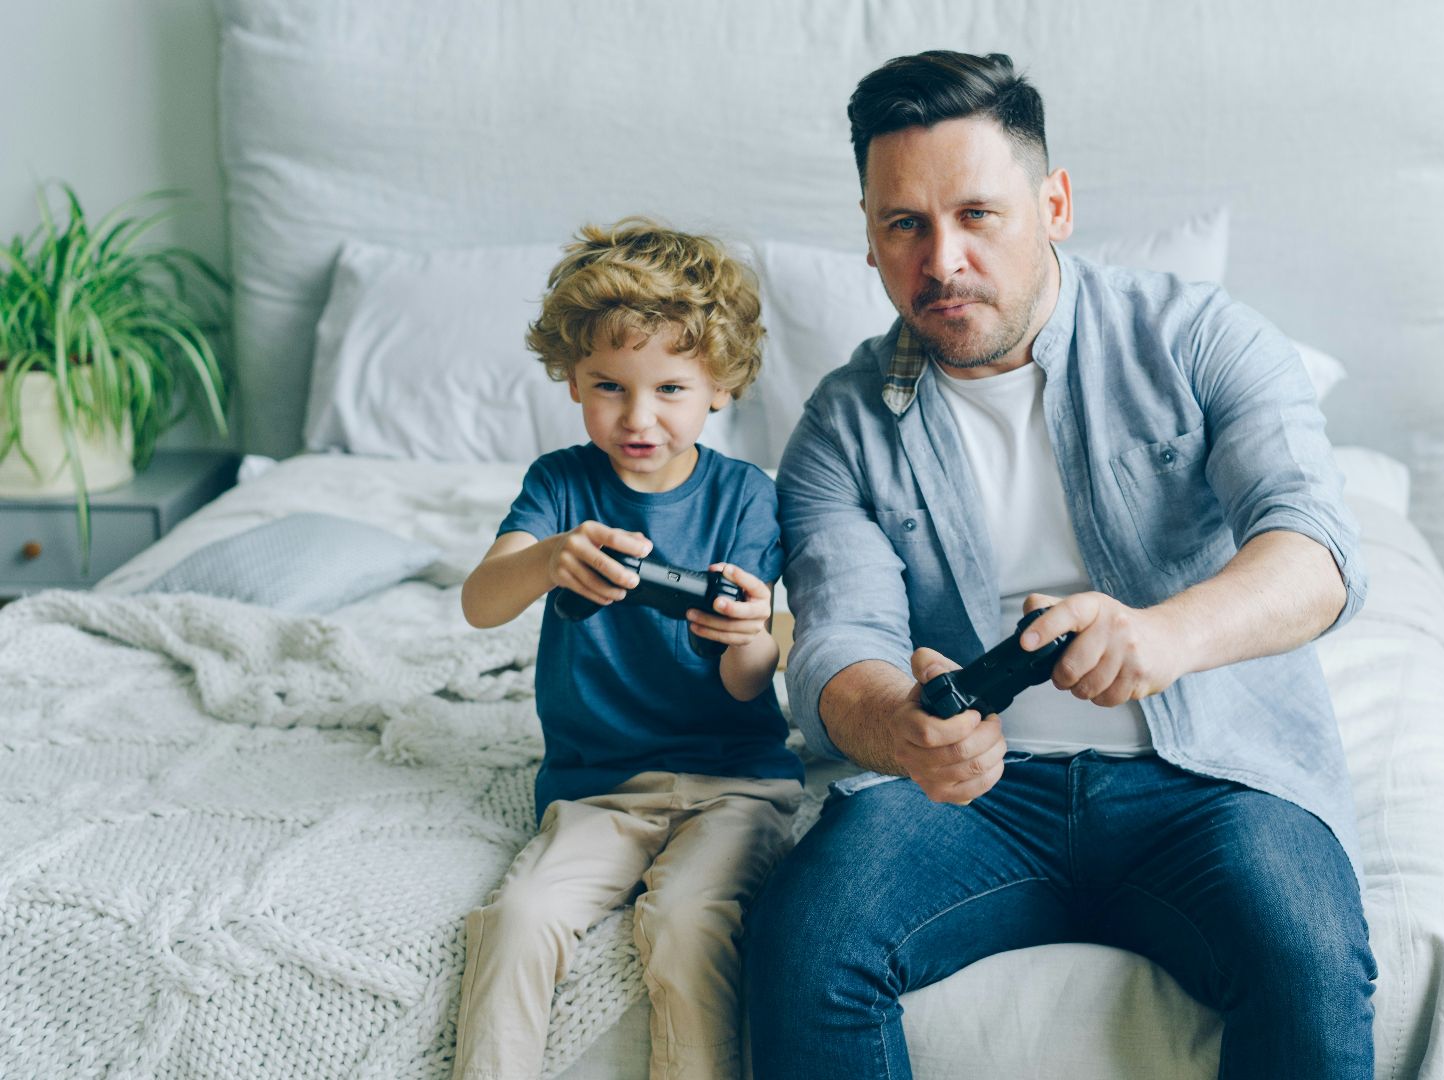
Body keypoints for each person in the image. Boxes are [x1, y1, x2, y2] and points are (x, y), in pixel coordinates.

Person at [745, 51, 1377, 1078]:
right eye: (904, 223)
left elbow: (1317, 553)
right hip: (968, 799)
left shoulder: (1202, 339)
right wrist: (897, 731)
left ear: (1055, 204)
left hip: (1210, 777)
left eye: (977, 215)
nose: (941, 259)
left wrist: (1162, 634)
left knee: (1305, 954)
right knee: (805, 943)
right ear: (868, 238)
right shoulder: (840, 427)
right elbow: (836, 647)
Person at [452, 219, 802, 1080]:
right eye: (609, 386)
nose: (638, 417)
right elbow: (479, 603)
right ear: (572, 378)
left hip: (735, 786)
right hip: (597, 788)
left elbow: (751, 681)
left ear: (719, 388)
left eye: (671, 390)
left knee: (687, 919)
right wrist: (546, 558)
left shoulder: (749, 499)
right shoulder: (560, 485)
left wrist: (752, 635)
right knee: (521, 915)